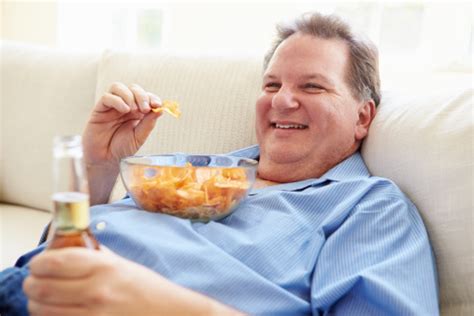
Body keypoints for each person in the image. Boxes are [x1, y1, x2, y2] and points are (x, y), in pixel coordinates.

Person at [0, 12, 438, 315]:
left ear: (363, 116)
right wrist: (98, 167)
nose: (282, 100)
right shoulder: (197, 169)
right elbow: (63, 248)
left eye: (313, 86)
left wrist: (157, 303)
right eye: (271, 84)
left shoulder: (371, 209)